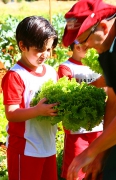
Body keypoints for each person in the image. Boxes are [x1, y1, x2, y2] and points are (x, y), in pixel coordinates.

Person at [61, 0, 116, 179]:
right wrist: (101, 154)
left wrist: (90, 151)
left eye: (84, 40)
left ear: (103, 26)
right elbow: (114, 102)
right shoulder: (106, 50)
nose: (85, 48)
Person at [1, 16, 59, 180]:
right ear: (22, 46)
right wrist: (38, 110)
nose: (45, 54)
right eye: (39, 49)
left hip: (48, 145)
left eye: (48, 49)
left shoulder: (51, 72)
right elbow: (11, 113)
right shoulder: (16, 76)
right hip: (25, 148)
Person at [57, 42, 106, 180]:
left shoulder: (98, 64)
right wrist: (96, 85)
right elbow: (68, 96)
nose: (86, 46)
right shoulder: (66, 67)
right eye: (81, 43)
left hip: (99, 127)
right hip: (77, 131)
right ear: (74, 46)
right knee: (75, 171)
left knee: (96, 170)